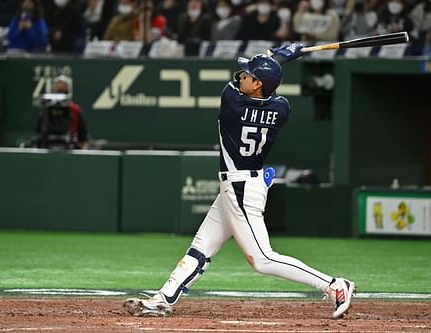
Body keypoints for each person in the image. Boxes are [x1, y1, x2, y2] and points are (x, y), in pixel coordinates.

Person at [123, 43, 356, 319]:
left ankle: (334, 285)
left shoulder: (232, 102)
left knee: (262, 259)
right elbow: (268, 91)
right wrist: (277, 62)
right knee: (201, 246)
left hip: (241, 188)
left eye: (247, 75)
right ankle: (164, 298)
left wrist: (279, 56)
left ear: (258, 84)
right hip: (242, 185)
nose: (240, 76)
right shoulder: (282, 108)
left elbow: (243, 87)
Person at [36, 75, 89, 149]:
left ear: (68, 91)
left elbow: (83, 137)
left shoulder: (75, 110)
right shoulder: (46, 110)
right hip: (47, 146)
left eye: (62, 91)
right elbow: (39, 132)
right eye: (58, 91)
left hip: (70, 147)